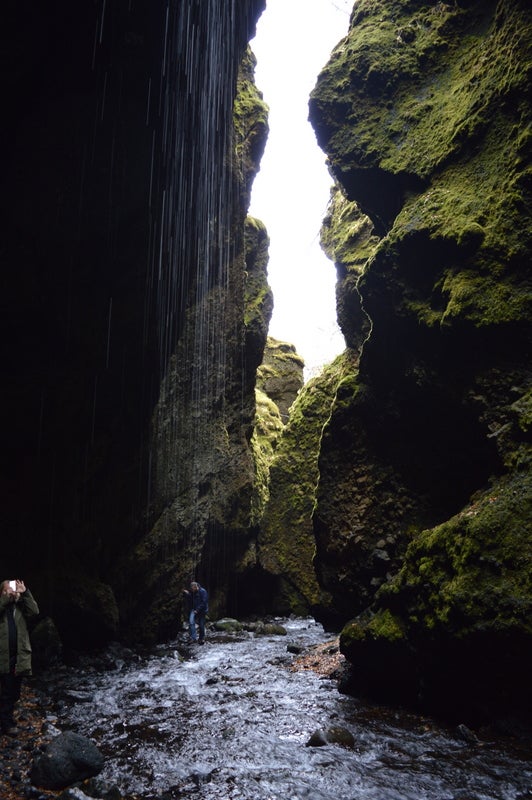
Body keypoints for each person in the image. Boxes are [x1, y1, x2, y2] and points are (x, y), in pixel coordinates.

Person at [0, 578, 39, 736]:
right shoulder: (2, 607)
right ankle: (7, 724)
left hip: (19, 657)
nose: (12, 592)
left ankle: (6, 720)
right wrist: (5, 599)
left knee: (14, 692)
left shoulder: (20, 607)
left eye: (13, 588)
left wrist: (25, 593)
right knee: (7, 692)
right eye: (8, 589)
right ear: (2, 592)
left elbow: (35, 611)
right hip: (3, 657)